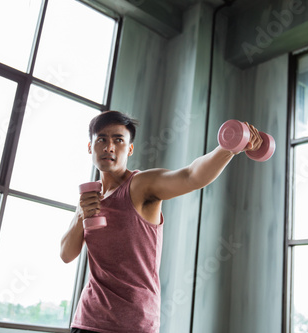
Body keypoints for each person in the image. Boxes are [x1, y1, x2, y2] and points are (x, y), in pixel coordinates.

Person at [60, 111, 262, 333]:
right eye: (102, 139)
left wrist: (229, 147)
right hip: (88, 321)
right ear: (90, 147)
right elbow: (66, 255)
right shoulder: (89, 200)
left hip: (134, 324)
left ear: (129, 149)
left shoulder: (141, 185)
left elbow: (191, 176)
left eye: (118, 140)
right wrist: (80, 214)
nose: (109, 147)